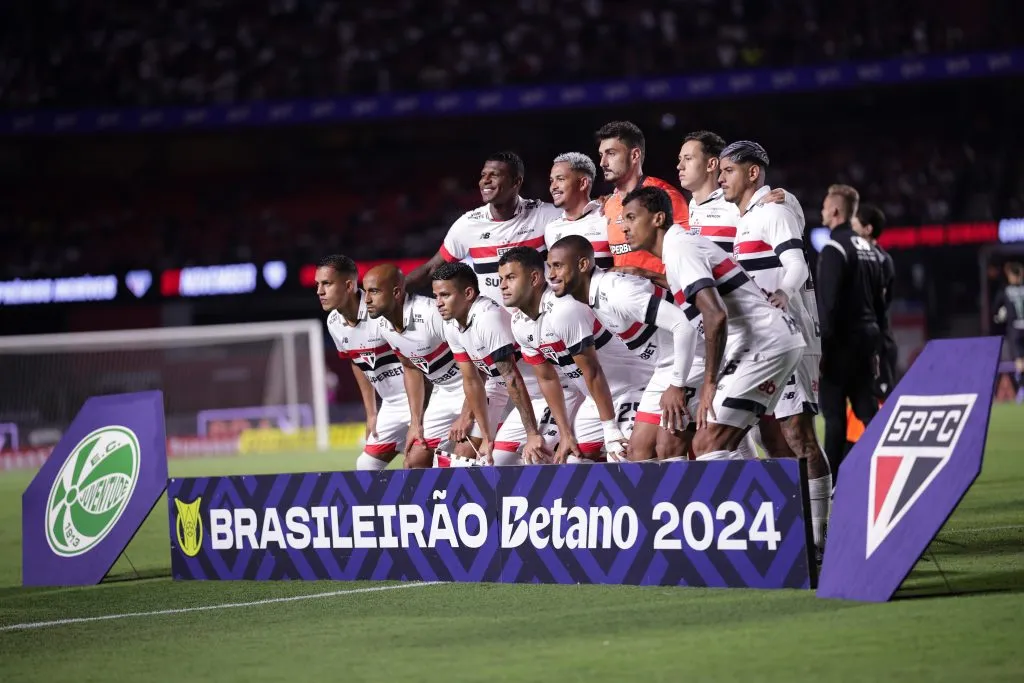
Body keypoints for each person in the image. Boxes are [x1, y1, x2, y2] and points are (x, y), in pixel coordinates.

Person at [619, 186, 805, 461]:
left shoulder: (680, 249)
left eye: (631, 218)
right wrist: (645, 274)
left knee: (708, 442)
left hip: (763, 346)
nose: (624, 227)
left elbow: (715, 315)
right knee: (762, 438)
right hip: (767, 343)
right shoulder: (678, 249)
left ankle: (744, 503)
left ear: (658, 218)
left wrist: (709, 384)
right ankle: (777, 502)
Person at [719, 140, 831, 550]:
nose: (721, 178)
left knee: (799, 436)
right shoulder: (748, 217)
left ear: (752, 173)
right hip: (761, 342)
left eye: (728, 171)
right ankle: (792, 520)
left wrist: (784, 292)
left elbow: (797, 263)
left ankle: (820, 535)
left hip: (791, 337)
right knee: (768, 437)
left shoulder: (774, 212)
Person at [547, 234, 696, 461]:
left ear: (583, 264)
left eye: (558, 266)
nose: (552, 275)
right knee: (637, 452)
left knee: (671, 447)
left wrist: (677, 384)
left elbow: (684, 325)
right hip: (665, 365)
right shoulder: (594, 296)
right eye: (549, 267)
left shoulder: (617, 293)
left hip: (693, 358)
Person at [498, 247, 652, 463]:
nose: (503, 285)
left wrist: (609, 429)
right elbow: (548, 378)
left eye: (511, 277)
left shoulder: (563, 309)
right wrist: (565, 434)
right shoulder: (519, 323)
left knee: (623, 457)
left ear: (534, 278)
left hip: (633, 387)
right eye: (501, 279)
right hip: (595, 398)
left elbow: (593, 371)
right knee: (571, 461)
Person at [430, 261, 554, 465]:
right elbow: (472, 380)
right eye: (436, 296)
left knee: (519, 456)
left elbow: (513, 377)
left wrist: (531, 433)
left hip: (538, 390)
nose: (438, 303)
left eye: (445, 295)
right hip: (498, 384)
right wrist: (482, 432)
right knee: (465, 452)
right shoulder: (451, 324)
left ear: (468, 293)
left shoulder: (488, 318)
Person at [407, 151, 560, 302]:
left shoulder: (546, 215)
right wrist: (395, 290)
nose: (484, 181)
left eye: (494, 175)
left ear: (516, 182)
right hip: (491, 324)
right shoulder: (467, 224)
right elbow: (431, 269)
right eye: (483, 175)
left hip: (540, 322)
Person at [363, 264, 470, 468]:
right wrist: (415, 423)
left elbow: (476, 364)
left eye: (374, 291)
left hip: (476, 390)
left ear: (396, 292)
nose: (366, 299)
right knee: (414, 462)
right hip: (444, 393)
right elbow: (410, 367)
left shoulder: (431, 314)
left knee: (462, 457)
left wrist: (467, 414)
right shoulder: (382, 325)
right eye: (365, 291)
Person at [816, 184, 888, 484]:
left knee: (834, 418)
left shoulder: (834, 248)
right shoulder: (871, 250)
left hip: (840, 344)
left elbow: (827, 306)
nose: (821, 211)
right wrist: (879, 349)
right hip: (868, 340)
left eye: (824, 206)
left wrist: (822, 349)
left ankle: (831, 484)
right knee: (867, 411)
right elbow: (881, 304)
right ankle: (889, 467)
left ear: (834, 211)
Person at [317, 254, 409, 471]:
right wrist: (371, 413)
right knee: (366, 466)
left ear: (348, 286)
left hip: (421, 400)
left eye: (327, 284)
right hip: (391, 405)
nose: (319, 291)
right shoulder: (333, 322)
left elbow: (416, 359)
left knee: (421, 464)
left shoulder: (382, 311)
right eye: (318, 284)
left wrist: (419, 415)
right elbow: (357, 362)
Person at [596, 121, 688, 284]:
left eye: (611, 153)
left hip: (664, 300)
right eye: (601, 154)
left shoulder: (665, 197)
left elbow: (689, 264)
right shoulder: (609, 204)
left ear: (635, 155)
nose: (603, 162)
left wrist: (643, 274)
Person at [853, 203, 897, 399]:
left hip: (876, 339)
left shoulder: (882, 260)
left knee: (881, 398)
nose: (851, 225)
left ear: (868, 229)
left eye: (855, 221)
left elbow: (881, 302)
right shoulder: (851, 255)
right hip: (857, 340)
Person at [545, 152, 613, 268]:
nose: (553, 187)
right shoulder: (551, 229)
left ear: (583, 183)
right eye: (552, 180)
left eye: (560, 179)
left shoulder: (607, 216)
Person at [992, 261, 1024, 403]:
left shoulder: (1005, 291)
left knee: (1019, 361)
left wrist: (999, 317)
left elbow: (996, 311)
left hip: (1015, 330)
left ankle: (1022, 389)